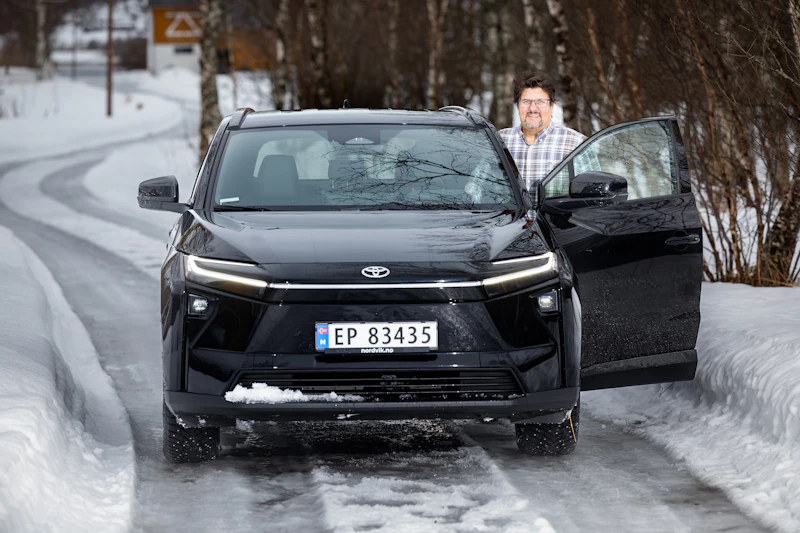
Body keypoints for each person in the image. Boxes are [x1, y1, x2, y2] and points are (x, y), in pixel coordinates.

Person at [498, 74, 586, 193]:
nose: (532, 109)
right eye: (526, 101)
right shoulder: (500, 141)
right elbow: (477, 187)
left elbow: (591, 196)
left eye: (540, 102)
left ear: (551, 106)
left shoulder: (576, 143)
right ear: (518, 105)